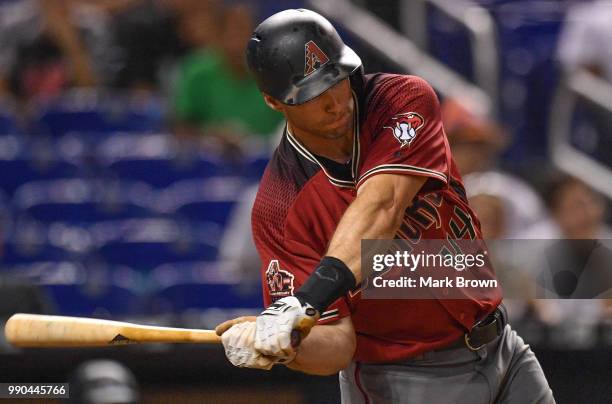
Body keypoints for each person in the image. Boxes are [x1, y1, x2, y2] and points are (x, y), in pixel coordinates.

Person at [215, 9, 554, 403]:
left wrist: (306, 300)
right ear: (274, 102)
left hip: (503, 348)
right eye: (311, 94)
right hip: (405, 379)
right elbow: (337, 345)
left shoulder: (399, 99)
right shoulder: (280, 208)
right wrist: (286, 344)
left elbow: (383, 204)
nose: (335, 101)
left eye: (336, 79)